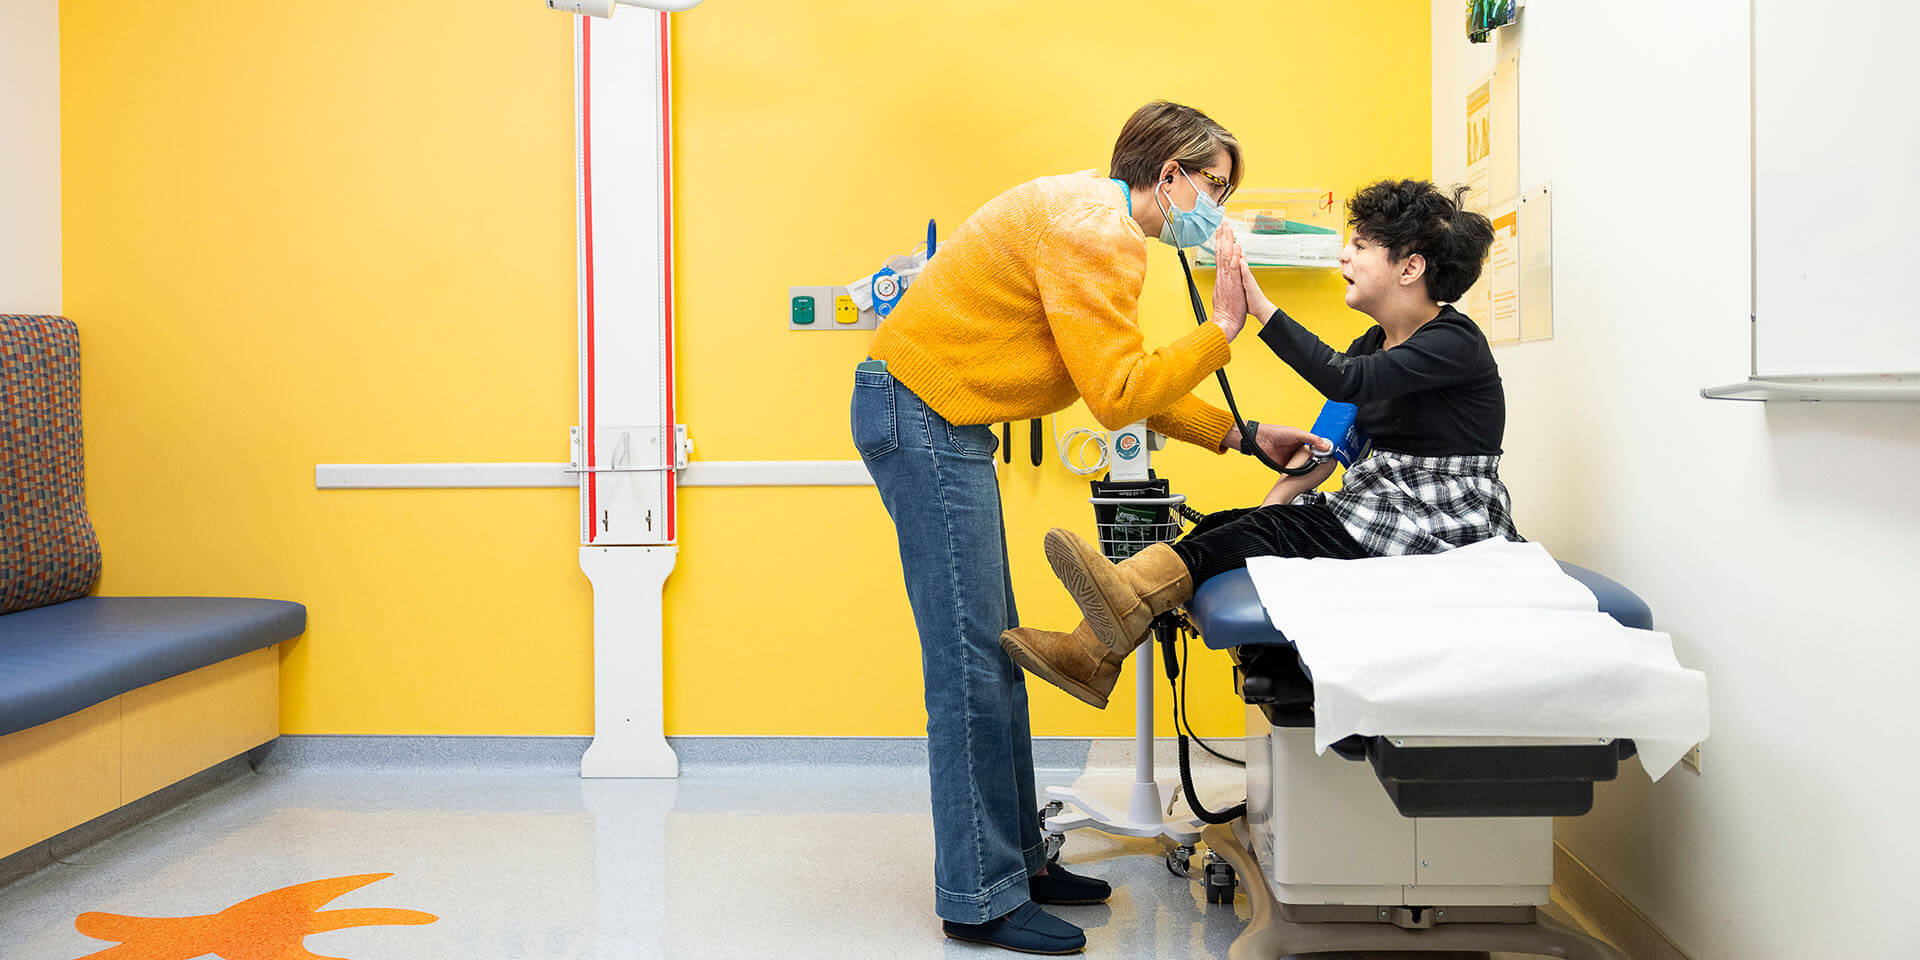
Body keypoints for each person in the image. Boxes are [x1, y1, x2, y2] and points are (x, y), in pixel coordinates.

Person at [851, 101, 1326, 955]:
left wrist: (1240, 434)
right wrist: (1219, 330)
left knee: (993, 653)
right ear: (1169, 173)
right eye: (1213, 186)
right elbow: (1115, 396)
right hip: (921, 413)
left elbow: (1125, 375)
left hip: (932, 414)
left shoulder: (1093, 215)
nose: (1216, 206)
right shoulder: (1096, 230)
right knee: (967, 665)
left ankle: (1021, 864)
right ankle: (978, 898)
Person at [1006, 178, 1509, 692]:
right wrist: (1271, 507)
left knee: (1258, 534)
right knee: (1228, 526)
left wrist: (1257, 308)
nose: (1343, 257)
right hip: (1384, 506)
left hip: (1440, 520)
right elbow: (1331, 443)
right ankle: (1090, 656)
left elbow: (1345, 379)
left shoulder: (1454, 343)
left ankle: (1122, 600)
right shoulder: (1375, 340)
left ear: (1410, 268)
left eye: (1359, 246)